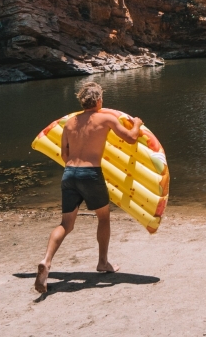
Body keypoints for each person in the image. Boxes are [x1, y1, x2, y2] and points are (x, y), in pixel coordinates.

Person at [34, 81, 143, 295]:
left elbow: (65, 156)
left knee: (66, 223)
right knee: (103, 217)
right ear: (99, 100)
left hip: (69, 174)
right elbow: (131, 138)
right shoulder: (106, 118)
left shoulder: (70, 123)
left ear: (82, 101)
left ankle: (46, 261)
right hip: (90, 174)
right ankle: (103, 262)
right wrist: (137, 124)